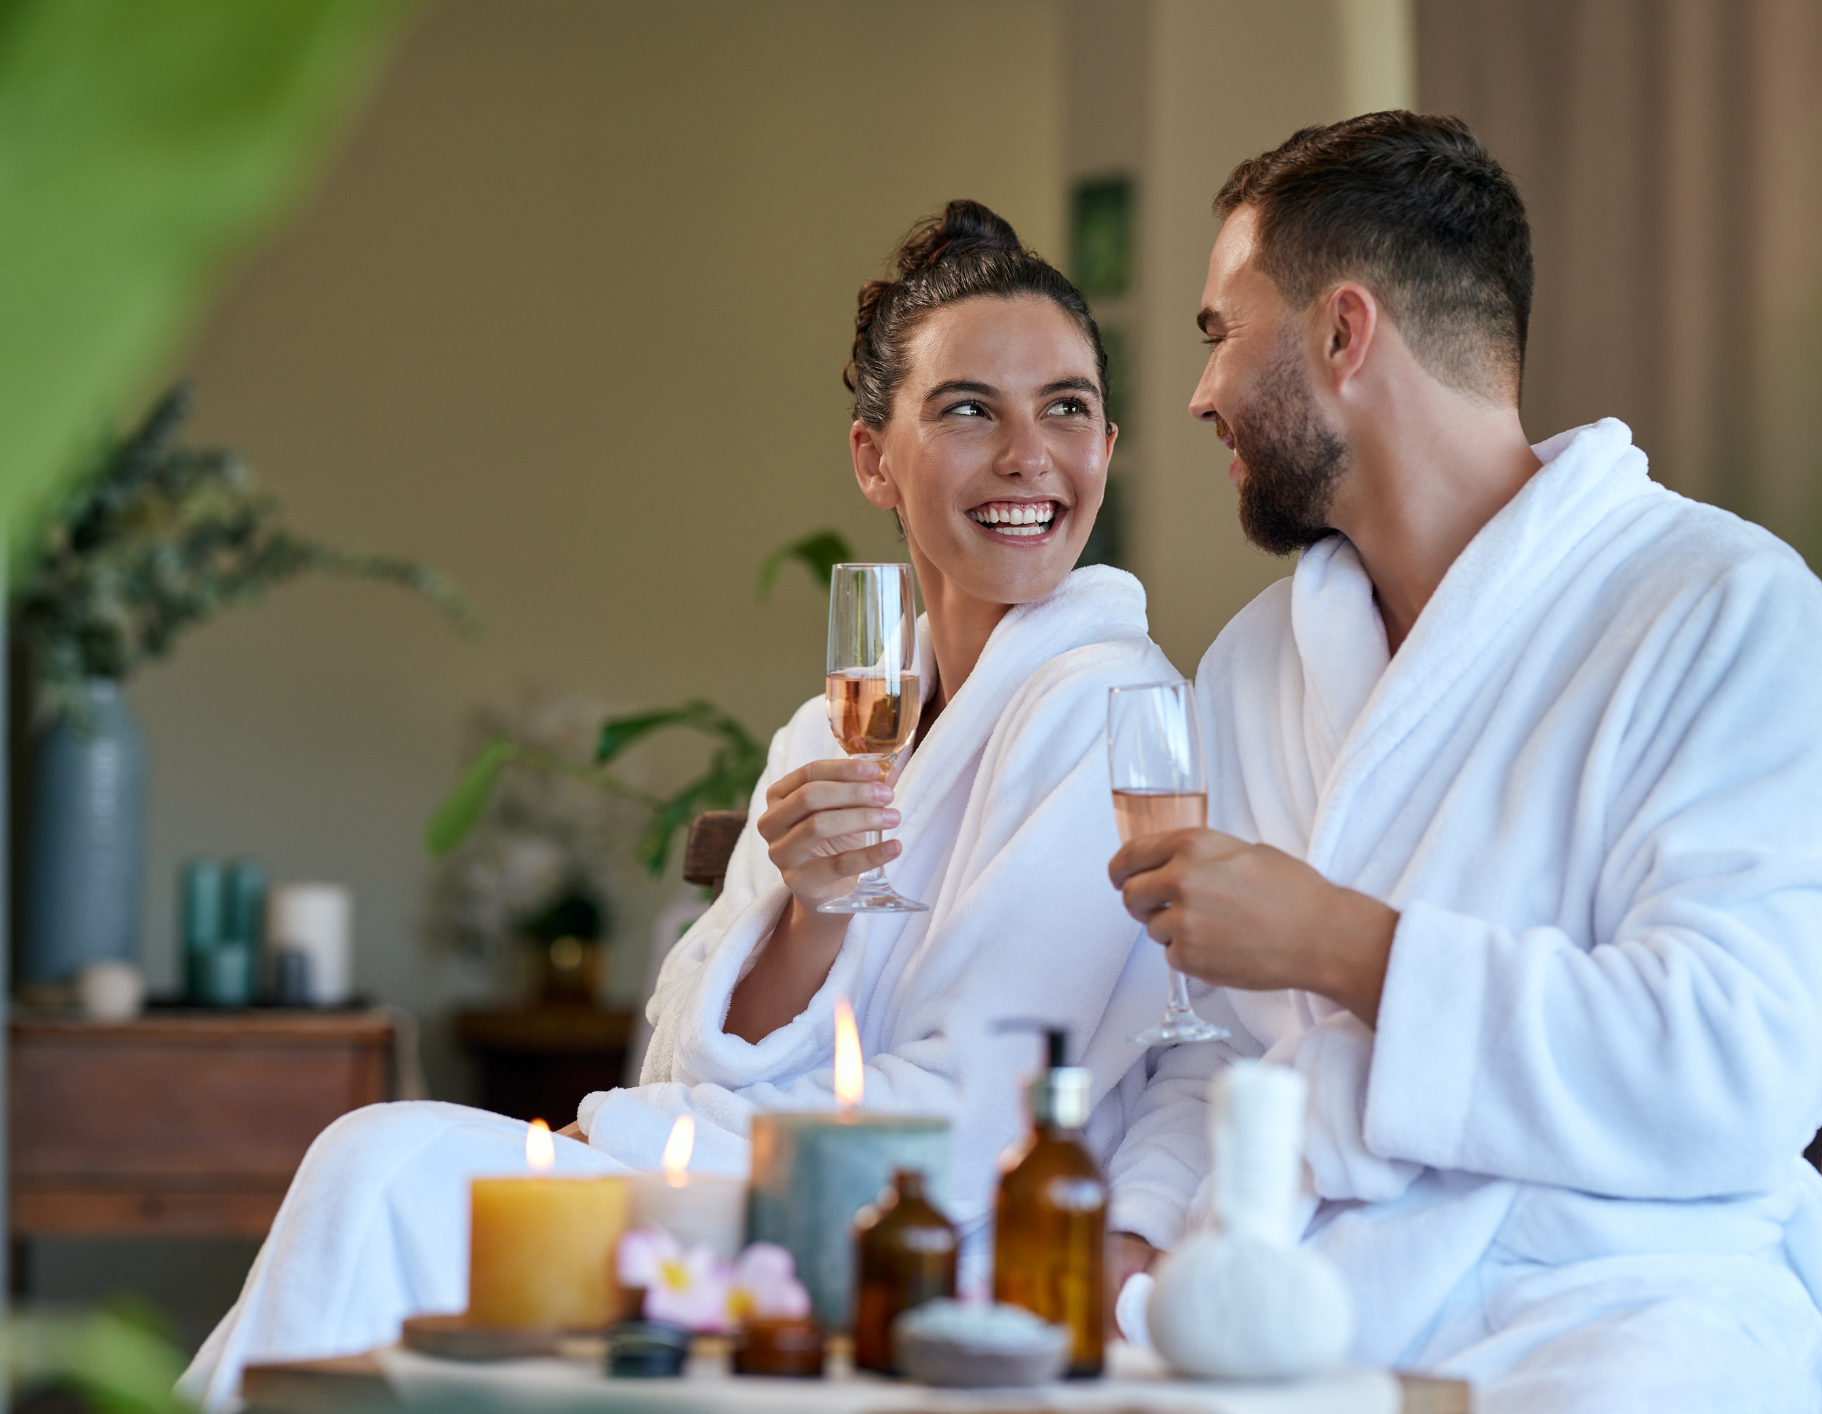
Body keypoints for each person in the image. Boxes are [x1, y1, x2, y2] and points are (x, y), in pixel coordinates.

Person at [181, 200, 1180, 1409]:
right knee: (380, 1165)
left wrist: (659, 1140)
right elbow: (686, 1041)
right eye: (969, 408)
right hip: (758, 1187)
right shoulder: (832, 727)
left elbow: (985, 1113)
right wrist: (809, 915)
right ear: (873, 458)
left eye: (1064, 408)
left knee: (385, 1163)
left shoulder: (1109, 707)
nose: (1028, 455)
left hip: (923, 1238)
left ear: (1108, 446)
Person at [1103, 114, 1822, 1414]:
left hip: (1617, 1288)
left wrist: (1345, 941)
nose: (1196, 395)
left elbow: (1742, 1056)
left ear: (1344, 334)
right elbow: (1210, 1052)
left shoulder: (1727, 611)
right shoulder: (1254, 665)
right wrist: (1137, 1229)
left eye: (1218, 334)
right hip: (1314, 1281)